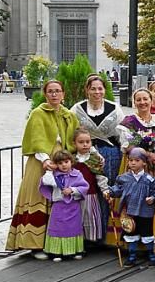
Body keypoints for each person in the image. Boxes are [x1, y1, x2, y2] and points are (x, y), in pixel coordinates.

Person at [8, 80, 80, 256]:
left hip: (62, 162)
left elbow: (75, 137)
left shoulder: (69, 115)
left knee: (59, 201)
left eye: (57, 91)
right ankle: (34, 244)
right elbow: (37, 139)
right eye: (50, 91)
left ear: (63, 94)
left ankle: (55, 242)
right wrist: (45, 160)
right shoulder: (37, 113)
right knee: (38, 198)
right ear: (45, 94)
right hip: (41, 162)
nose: (54, 94)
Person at [72, 73, 123, 238]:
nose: (97, 92)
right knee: (89, 194)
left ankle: (108, 234)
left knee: (107, 192)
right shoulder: (77, 109)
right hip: (85, 156)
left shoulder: (114, 108)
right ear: (87, 90)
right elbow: (70, 132)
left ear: (105, 90)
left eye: (100, 88)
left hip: (110, 155)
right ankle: (89, 234)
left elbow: (122, 133)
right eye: (93, 88)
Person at [108, 148, 155, 266]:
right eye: (131, 160)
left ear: (144, 163)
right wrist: (110, 193)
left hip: (145, 212)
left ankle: (151, 254)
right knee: (131, 233)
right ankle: (132, 256)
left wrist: (152, 198)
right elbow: (117, 189)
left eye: (137, 160)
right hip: (129, 212)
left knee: (147, 234)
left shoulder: (149, 179)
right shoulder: (124, 178)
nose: (133, 163)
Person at [39, 150, 89, 261]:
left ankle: (75, 250)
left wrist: (72, 190)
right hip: (59, 206)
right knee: (58, 228)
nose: (64, 165)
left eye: (66, 162)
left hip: (73, 206)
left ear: (71, 161)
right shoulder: (55, 176)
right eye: (60, 163)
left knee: (74, 228)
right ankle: (56, 252)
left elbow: (84, 187)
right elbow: (45, 181)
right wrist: (49, 170)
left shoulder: (77, 174)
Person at [72, 129, 107, 247]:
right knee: (77, 218)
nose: (85, 144)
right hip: (75, 196)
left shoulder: (94, 159)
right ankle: (77, 240)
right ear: (74, 144)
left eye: (88, 141)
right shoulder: (72, 160)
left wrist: (105, 190)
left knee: (90, 217)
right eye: (81, 142)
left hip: (90, 194)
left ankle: (90, 240)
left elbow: (100, 176)